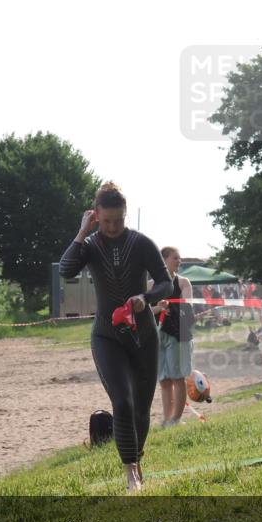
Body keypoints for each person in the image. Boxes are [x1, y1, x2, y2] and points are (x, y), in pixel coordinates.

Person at [59, 183, 172, 492]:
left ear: (125, 215)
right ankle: (131, 472)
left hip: (143, 336)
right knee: (121, 402)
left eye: (118, 220)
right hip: (107, 337)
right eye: (106, 220)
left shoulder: (141, 243)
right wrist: (82, 232)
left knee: (141, 409)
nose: (112, 227)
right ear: (97, 216)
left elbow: (166, 284)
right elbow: (66, 271)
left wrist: (145, 299)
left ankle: (136, 455)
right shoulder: (91, 245)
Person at [150, 247, 194, 428]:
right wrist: (158, 308)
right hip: (157, 336)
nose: (179, 261)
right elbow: (142, 312)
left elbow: (189, 310)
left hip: (178, 335)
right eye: (175, 258)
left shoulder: (184, 283)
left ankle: (176, 419)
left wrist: (173, 308)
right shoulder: (150, 285)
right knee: (164, 379)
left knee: (177, 377)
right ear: (164, 260)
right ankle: (166, 419)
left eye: (180, 258)